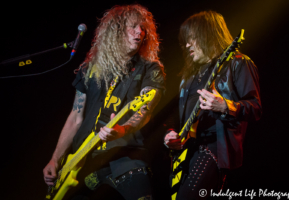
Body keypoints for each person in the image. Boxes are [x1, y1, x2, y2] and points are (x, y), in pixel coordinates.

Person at [43, 4, 165, 200]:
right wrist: (55, 159)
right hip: (82, 162)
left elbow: (145, 108)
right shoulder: (90, 69)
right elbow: (75, 117)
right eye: (133, 26)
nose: (139, 32)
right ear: (116, 31)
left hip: (126, 156)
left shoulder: (150, 69)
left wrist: (123, 129)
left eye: (143, 28)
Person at [164, 10, 262, 200]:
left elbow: (256, 108)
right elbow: (177, 120)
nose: (186, 45)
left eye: (191, 38)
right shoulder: (189, 78)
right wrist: (170, 135)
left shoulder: (238, 63)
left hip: (213, 149)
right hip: (186, 154)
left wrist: (225, 106)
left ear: (208, 34)